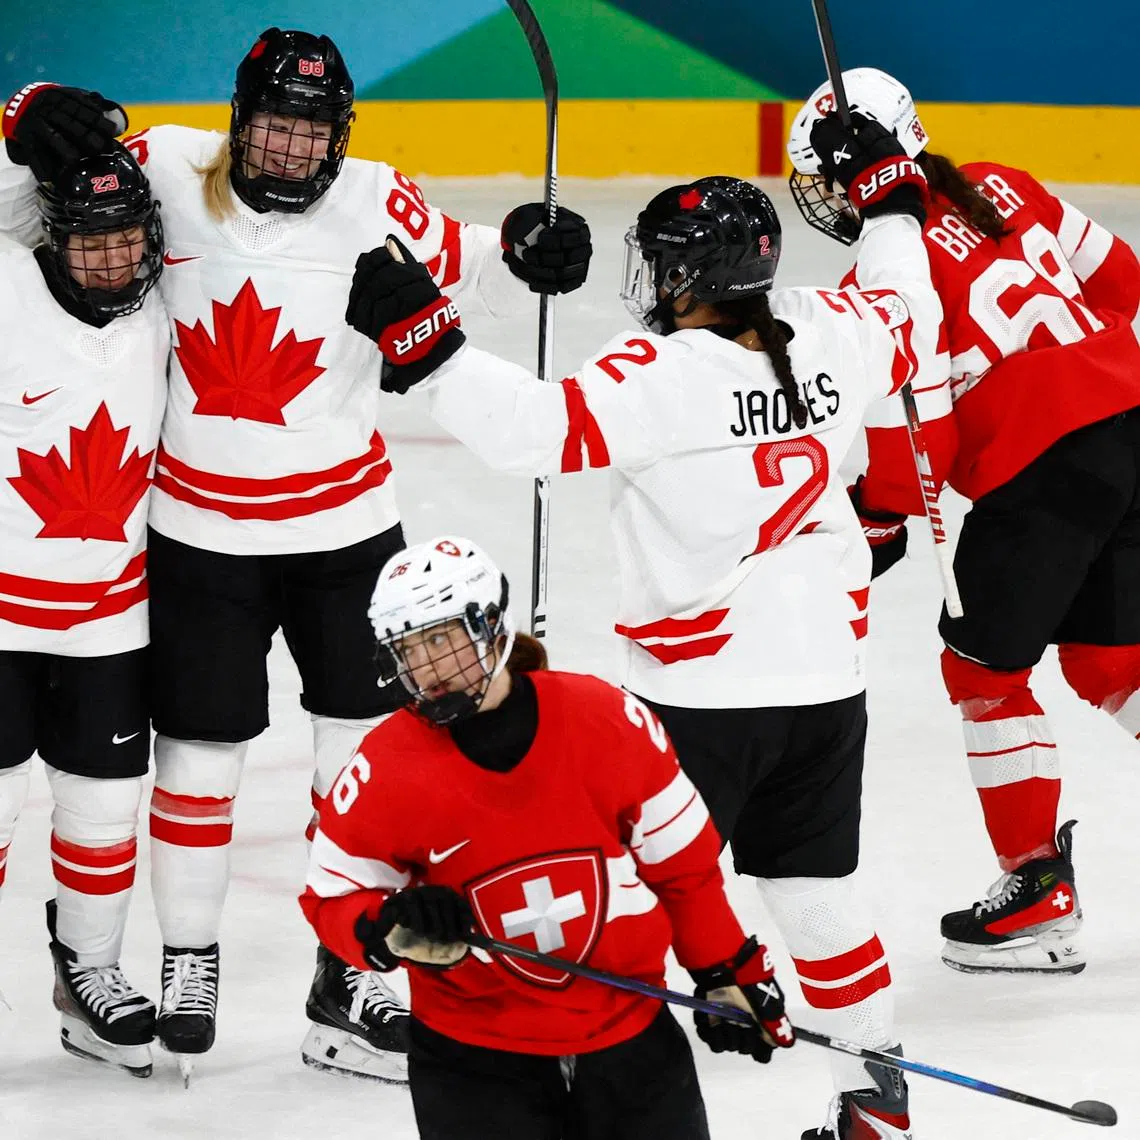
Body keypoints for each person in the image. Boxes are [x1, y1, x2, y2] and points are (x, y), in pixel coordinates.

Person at [0, 29, 592, 1080]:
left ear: (340, 137)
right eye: (273, 125)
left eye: (310, 132)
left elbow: (475, 268)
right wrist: (24, 118)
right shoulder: (169, 171)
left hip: (346, 535)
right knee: (196, 757)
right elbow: (35, 200)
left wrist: (533, 247)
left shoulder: (375, 200)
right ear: (237, 118)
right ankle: (188, 956)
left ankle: (348, 982)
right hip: (195, 535)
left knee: (365, 760)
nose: (286, 151)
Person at [338, 113, 943, 1138]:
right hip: (825, 687)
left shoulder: (660, 376)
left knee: (633, 893)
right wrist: (887, 191)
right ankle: (876, 1098)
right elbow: (910, 304)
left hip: (694, 700)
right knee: (815, 895)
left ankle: (576, 1086)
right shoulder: (840, 327)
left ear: (687, 277)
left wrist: (426, 346)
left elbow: (536, 433)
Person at [788, 68, 1140, 976]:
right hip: (1132, 419)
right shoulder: (998, 179)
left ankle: (1035, 888)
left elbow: (921, 441)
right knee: (1111, 662)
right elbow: (1123, 281)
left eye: (831, 179)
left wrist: (879, 514)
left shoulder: (883, 271)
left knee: (981, 668)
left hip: (1042, 474)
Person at [300, 534, 795, 1139]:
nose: (424, 669)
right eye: (407, 648)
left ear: (489, 627)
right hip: (474, 1058)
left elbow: (683, 868)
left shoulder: (607, 718)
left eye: (439, 639)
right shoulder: (382, 769)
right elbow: (331, 896)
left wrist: (726, 968)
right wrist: (387, 926)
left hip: (628, 1037)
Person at [0, 140, 168, 1075]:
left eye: (127, 237)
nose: (111, 258)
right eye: (88, 240)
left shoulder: (168, 310)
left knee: (104, 811)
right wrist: (19, 126)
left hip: (109, 618)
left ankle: (90, 973)